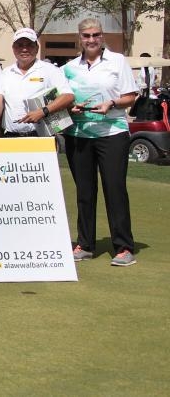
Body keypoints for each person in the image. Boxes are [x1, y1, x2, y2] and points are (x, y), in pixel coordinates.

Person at [62, 18, 138, 267]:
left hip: (112, 133)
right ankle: (85, 244)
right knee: (85, 192)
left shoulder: (117, 61)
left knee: (114, 189)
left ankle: (124, 247)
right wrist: (72, 108)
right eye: (86, 35)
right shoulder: (69, 67)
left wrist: (112, 103)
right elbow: (63, 102)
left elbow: (130, 97)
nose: (92, 40)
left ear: (102, 36)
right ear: (79, 37)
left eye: (96, 35)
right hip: (79, 135)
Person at [1, 28, 74, 138]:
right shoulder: (5, 73)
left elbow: (68, 96)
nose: (24, 49)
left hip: (42, 136)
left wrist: (43, 111)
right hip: (11, 137)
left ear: (37, 48)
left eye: (29, 45)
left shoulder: (50, 70)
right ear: (13, 48)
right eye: (20, 45)